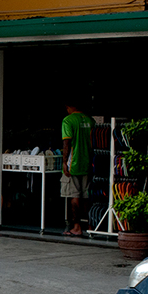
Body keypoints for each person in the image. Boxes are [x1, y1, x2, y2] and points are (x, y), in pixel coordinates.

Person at [61, 99, 94, 236]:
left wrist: (64, 162)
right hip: (88, 162)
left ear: (69, 106)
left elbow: (66, 143)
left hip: (73, 162)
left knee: (74, 195)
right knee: (86, 195)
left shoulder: (68, 120)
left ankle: (76, 227)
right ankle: (91, 225)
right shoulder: (90, 120)